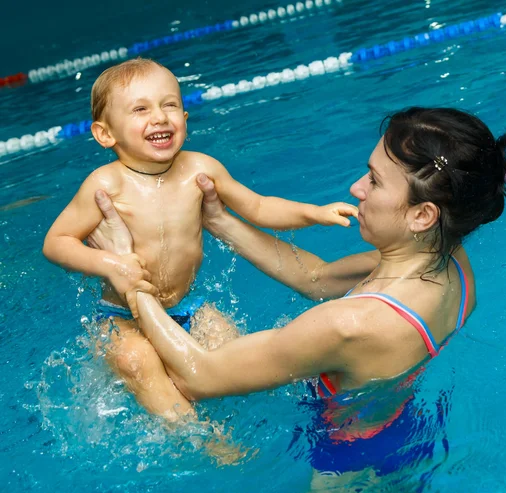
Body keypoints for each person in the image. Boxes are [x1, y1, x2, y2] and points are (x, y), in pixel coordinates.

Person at [89, 107, 506, 481]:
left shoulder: (352, 325)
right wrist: (221, 221)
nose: (357, 189)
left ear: (422, 215)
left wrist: (130, 279)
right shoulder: (451, 265)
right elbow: (319, 278)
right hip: (406, 430)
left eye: (373, 180)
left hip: (346, 468)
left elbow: (199, 376)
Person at [42, 57, 357, 421]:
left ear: (185, 120)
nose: (159, 117)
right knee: (135, 361)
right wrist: (110, 264)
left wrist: (313, 213)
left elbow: (258, 206)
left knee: (233, 352)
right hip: (122, 315)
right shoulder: (105, 184)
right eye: (141, 109)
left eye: (170, 105)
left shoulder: (199, 168)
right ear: (105, 134)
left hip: (186, 306)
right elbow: (57, 241)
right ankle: (193, 432)